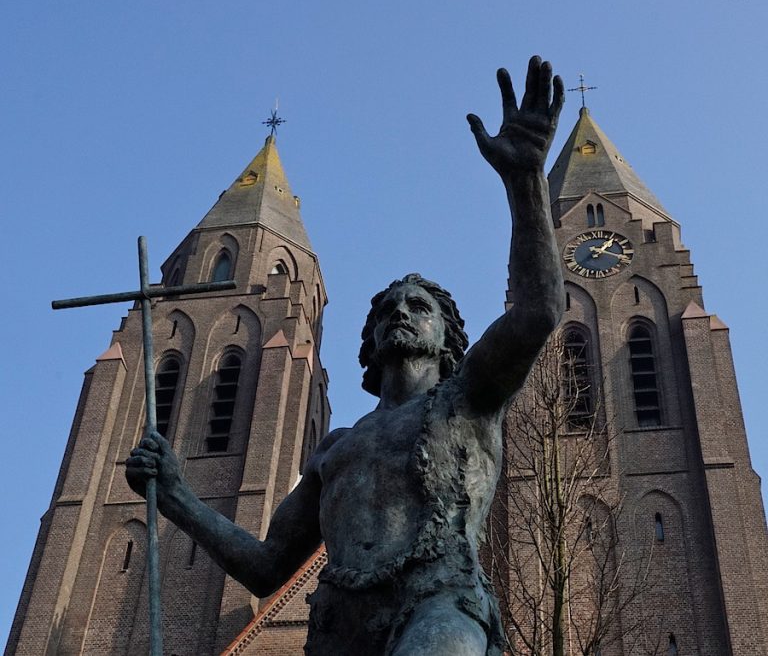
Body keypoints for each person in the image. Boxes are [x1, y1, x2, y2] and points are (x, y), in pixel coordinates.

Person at [127, 55, 565, 656]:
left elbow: (538, 312)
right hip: (338, 627)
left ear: (448, 339)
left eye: (419, 307)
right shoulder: (336, 448)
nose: (400, 313)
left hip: (437, 605)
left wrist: (525, 182)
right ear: (371, 342)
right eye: (387, 309)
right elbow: (266, 566)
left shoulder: (469, 400)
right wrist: (177, 496)